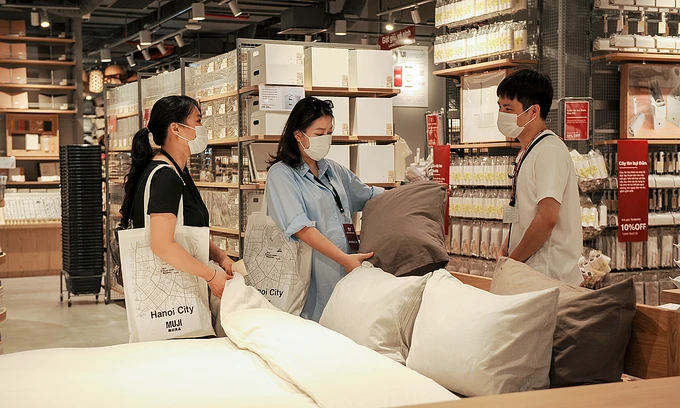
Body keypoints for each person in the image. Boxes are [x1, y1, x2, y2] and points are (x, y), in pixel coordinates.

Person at [265, 97, 383, 321]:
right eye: (319, 134)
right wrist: (343, 259)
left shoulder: (334, 170)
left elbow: (368, 196)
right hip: (312, 275)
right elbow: (301, 228)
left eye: (329, 132)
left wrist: (412, 193)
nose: (326, 139)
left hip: (346, 268)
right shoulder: (281, 175)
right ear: (298, 135)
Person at [119, 95, 235, 302]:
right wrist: (211, 274)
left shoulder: (177, 171)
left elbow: (187, 231)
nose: (202, 127)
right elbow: (162, 245)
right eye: (198, 120)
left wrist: (220, 257)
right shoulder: (165, 176)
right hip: (170, 298)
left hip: (179, 290)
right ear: (176, 128)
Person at [496, 69, 582, 286]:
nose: (501, 114)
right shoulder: (529, 150)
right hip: (529, 273)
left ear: (533, 111)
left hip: (548, 275)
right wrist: (508, 243)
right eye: (499, 107)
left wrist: (513, 263)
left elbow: (547, 218)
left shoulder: (548, 150)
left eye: (508, 109)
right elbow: (524, 209)